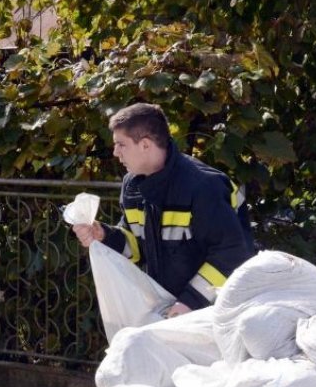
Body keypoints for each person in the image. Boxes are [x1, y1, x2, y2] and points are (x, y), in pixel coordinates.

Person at [73, 102, 254, 317]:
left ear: (146, 145)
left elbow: (232, 254)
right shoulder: (132, 186)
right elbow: (136, 247)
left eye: (121, 144)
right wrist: (103, 234)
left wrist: (190, 302)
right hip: (172, 307)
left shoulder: (203, 185)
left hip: (217, 311)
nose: (115, 153)